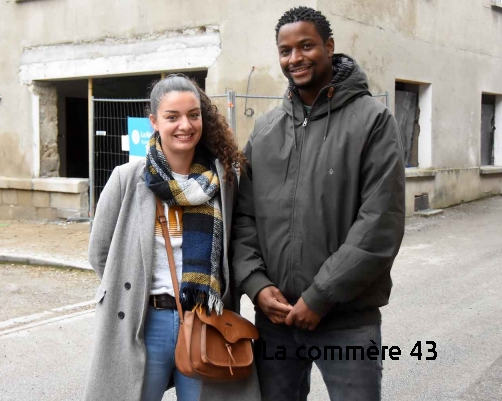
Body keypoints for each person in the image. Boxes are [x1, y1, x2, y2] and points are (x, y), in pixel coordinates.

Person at [231, 6, 405, 401]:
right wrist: (257, 286)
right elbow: (244, 217)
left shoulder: (373, 121)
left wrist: (319, 296)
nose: (295, 58)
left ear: (329, 47)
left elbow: (380, 223)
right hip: (274, 320)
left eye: (306, 46)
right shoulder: (266, 129)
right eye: (285, 50)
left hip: (345, 320)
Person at [83, 74, 260, 401]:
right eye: (172, 116)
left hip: (206, 321)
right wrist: (130, 289)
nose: (185, 125)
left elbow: (237, 245)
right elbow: (100, 254)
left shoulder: (223, 181)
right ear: (154, 122)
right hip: (145, 322)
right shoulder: (127, 179)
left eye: (193, 115)